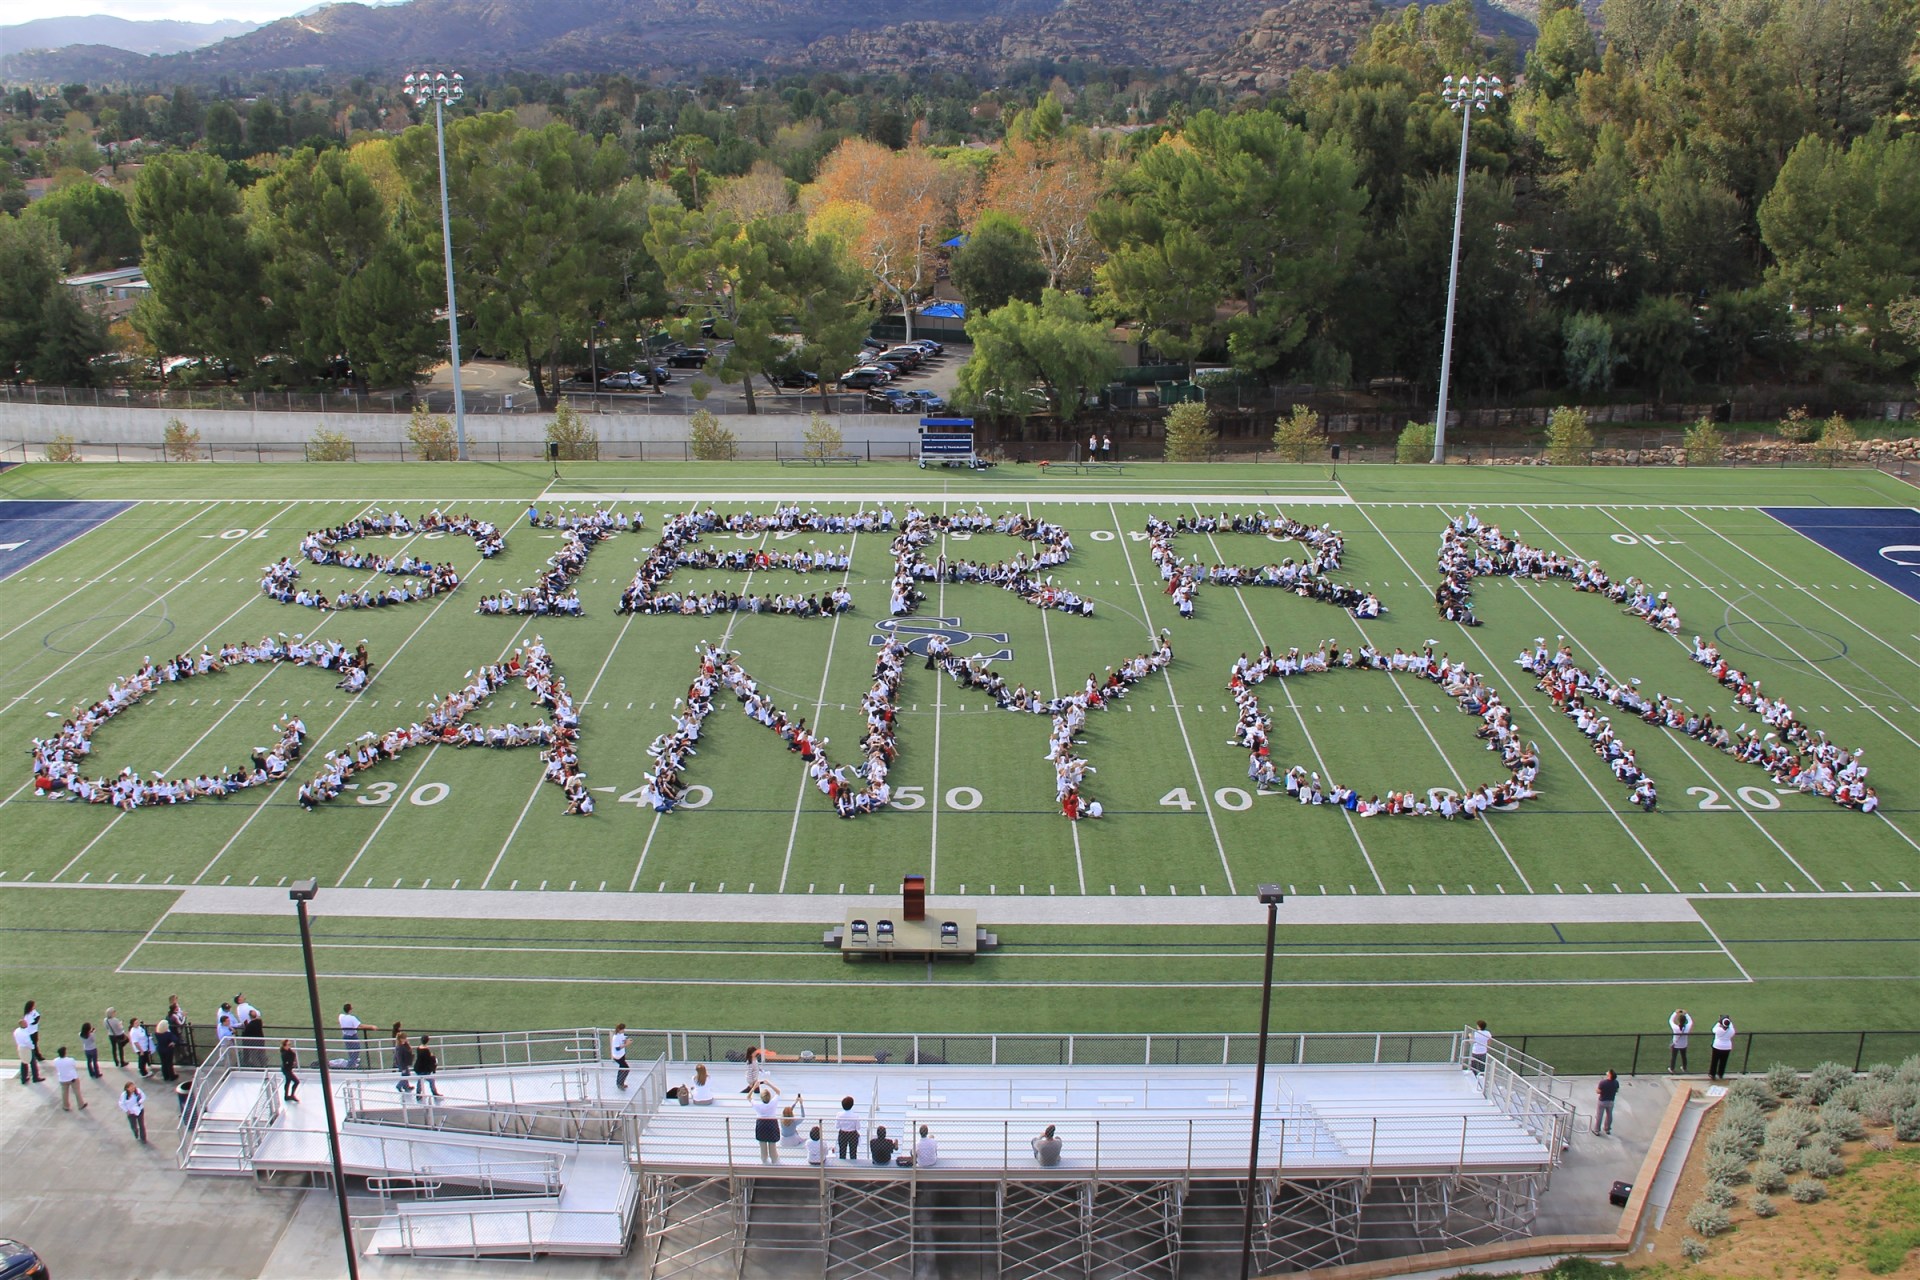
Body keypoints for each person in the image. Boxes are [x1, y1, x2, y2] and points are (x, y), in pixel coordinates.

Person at [752, 1085, 783, 1163]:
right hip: (771, 1124)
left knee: (762, 1145)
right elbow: (778, 1091)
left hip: (761, 1124)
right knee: (772, 1145)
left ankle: (764, 1160)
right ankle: (774, 1160)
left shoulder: (758, 1105)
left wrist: (754, 1086)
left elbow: (748, 1097)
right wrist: (768, 1083)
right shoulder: (773, 1103)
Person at [1709, 1016, 1736, 1081]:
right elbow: (1731, 1026)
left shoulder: (1718, 1030)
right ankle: (1721, 1074)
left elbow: (1713, 1029)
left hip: (1717, 1046)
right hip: (1727, 1047)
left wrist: (1719, 1021)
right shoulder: (1731, 1031)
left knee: (1714, 1061)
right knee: (1723, 1061)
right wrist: (1729, 1020)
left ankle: (1712, 1074)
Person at [415, 1035, 442, 1100]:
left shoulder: (418, 1048)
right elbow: (428, 1059)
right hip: (423, 1069)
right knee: (431, 1081)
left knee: (420, 1081)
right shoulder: (426, 1050)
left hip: (418, 1068)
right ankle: (434, 1093)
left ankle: (418, 1094)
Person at [14, 1018, 40, 1084]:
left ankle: (23, 1078)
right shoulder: (25, 1033)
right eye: (25, 1023)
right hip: (26, 1048)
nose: (26, 1023)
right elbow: (28, 1042)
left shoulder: (17, 1031)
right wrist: (32, 1047)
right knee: (33, 1063)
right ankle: (35, 1077)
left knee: (23, 1062)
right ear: (22, 1024)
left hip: (20, 1047)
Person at [1593, 1071, 1619, 1136]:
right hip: (1611, 1101)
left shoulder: (1603, 1082)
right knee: (1609, 1115)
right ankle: (1607, 1129)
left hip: (1602, 1101)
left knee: (1599, 1116)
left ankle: (1597, 1130)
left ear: (1610, 1076)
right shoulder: (1616, 1082)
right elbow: (1617, 1090)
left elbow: (1598, 1091)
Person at [836, 1095, 862, 1160]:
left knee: (842, 1152)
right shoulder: (855, 1116)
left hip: (842, 1134)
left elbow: (837, 1126)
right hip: (853, 1134)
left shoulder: (839, 1114)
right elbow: (858, 1127)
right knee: (853, 1153)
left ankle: (842, 1167)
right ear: (852, 1105)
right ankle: (853, 1168)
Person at [338, 1003, 364, 1069]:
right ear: (350, 1010)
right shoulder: (352, 1018)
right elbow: (360, 1026)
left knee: (350, 1049)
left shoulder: (341, 1016)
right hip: (352, 1036)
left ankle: (353, 1061)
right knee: (357, 1049)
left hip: (345, 1036)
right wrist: (372, 1027)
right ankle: (352, 1063)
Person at [1668, 1009, 1692, 1073]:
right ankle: (1684, 1068)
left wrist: (1675, 1013)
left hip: (1676, 1045)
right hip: (1684, 1044)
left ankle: (1672, 1069)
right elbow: (1690, 1021)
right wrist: (1686, 1014)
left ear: (1679, 1021)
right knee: (1684, 1057)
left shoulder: (1675, 1028)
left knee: (1674, 1057)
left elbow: (1670, 1020)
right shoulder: (1687, 1027)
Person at [393, 1031, 416, 1096]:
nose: (406, 1039)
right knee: (406, 1075)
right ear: (401, 1039)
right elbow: (399, 1058)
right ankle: (399, 1085)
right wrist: (402, 1068)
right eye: (404, 1038)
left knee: (405, 1075)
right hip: (402, 1064)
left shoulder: (403, 1045)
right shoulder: (399, 1047)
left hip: (404, 1063)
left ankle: (406, 1087)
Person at [612, 1023, 631, 1091]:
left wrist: (627, 1041)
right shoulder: (615, 1037)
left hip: (622, 1055)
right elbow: (617, 1048)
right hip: (618, 1056)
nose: (624, 1030)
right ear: (619, 1030)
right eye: (623, 1029)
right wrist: (627, 1044)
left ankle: (620, 1083)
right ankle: (620, 1083)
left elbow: (623, 1040)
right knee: (626, 1069)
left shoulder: (621, 1035)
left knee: (622, 1068)